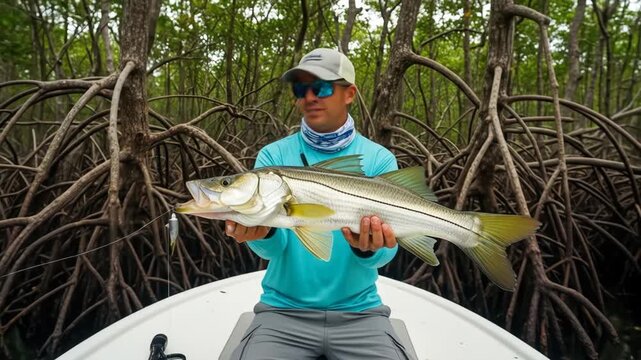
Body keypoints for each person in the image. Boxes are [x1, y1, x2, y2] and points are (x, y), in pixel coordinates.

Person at [227, 48, 414, 360]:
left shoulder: (379, 159)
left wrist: (367, 247)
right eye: (301, 89)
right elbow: (274, 250)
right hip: (282, 311)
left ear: (349, 93)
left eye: (323, 87)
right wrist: (263, 235)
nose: (310, 97)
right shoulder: (272, 158)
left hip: (361, 313)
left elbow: (384, 255)